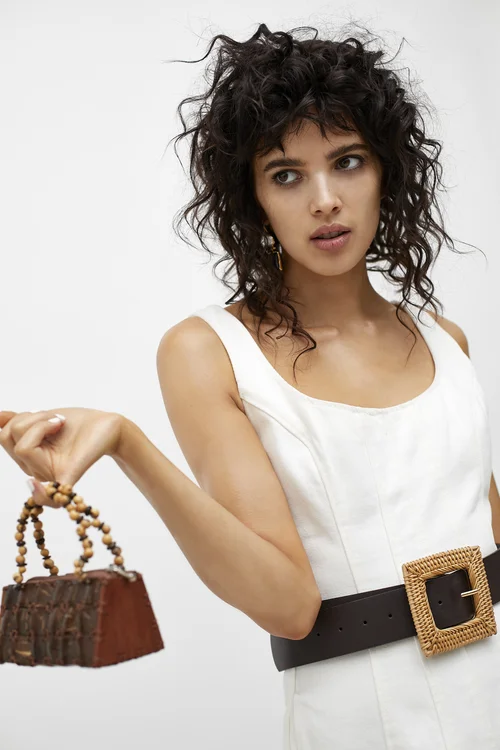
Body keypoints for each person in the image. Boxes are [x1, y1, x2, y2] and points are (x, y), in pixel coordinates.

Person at [1, 21, 499, 750]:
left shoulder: (444, 341)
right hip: (362, 719)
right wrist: (128, 444)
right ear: (253, 196)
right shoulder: (209, 351)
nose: (325, 200)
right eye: (286, 174)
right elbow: (289, 608)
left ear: (386, 171)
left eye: (348, 161)